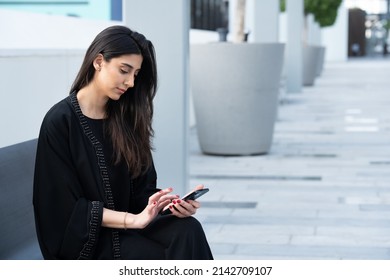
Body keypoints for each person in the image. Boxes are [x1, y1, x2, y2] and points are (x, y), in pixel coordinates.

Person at [33, 25, 214, 260]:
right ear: (99, 62)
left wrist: (166, 206)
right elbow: (63, 209)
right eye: (124, 70)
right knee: (158, 255)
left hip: (131, 226)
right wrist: (133, 221)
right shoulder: (60, 121)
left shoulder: (125, 117)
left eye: (135, 75)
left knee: (187, 229)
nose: (130, 82)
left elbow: (141, 189)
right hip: (85, 240)